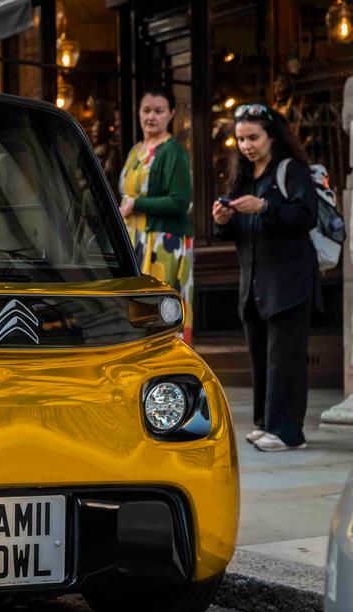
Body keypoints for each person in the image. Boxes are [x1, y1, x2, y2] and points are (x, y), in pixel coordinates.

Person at [213, 103, 320, 452]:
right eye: (241, 139)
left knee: (285, 358)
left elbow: (306, 216)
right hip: (254, 285)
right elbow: (234, 234)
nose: (246, 145)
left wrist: (265, 208)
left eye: (253, 137)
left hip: (289, 283)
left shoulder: (291, 171)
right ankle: (266, 423)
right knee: (262, 357)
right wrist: (222, 222)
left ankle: (289, 432)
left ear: (272, 136)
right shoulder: (243, 178)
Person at [119, 88, 195, 342]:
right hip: (135, 239)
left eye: (159, 111)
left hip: (163, 242)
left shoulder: (173, 151)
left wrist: (137, 204)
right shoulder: (136, 150)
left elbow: (180, 201)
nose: (151, 117)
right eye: (146, 110)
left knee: (160, 310)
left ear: (171, 114)